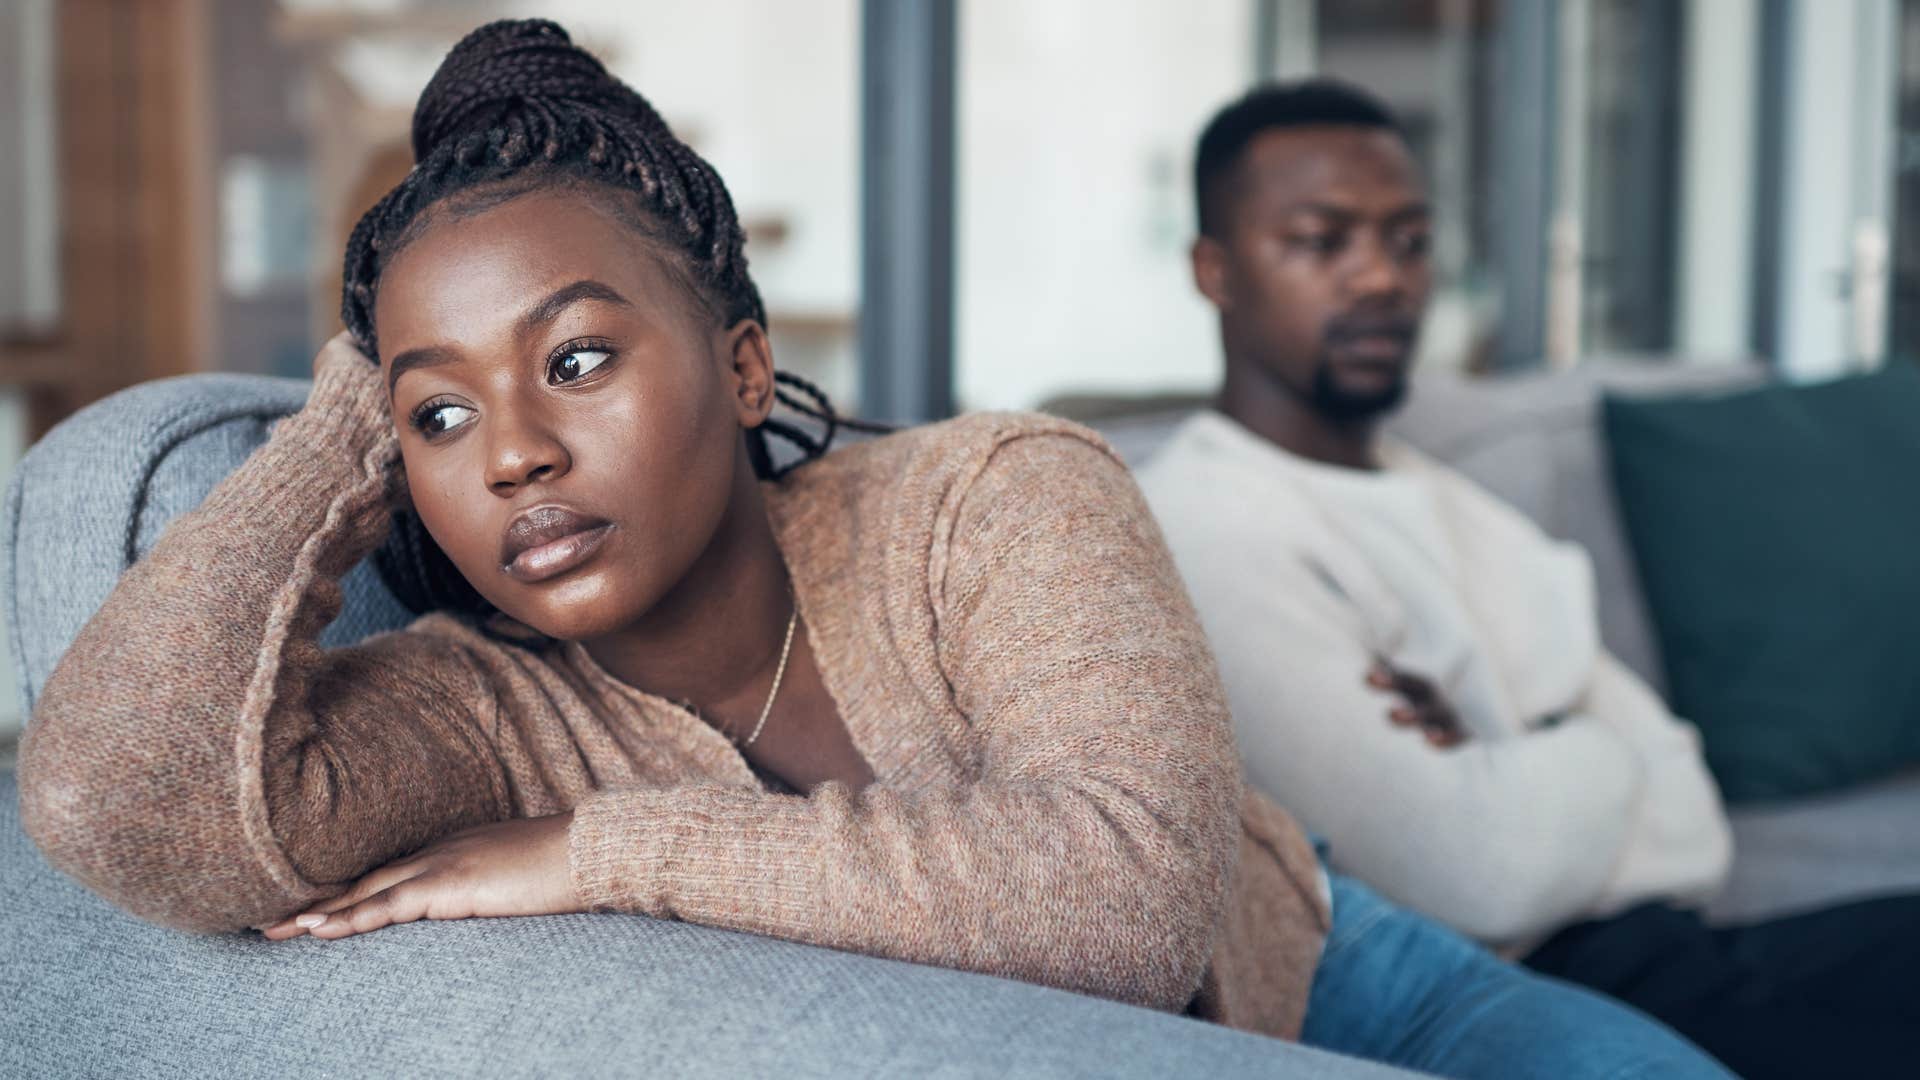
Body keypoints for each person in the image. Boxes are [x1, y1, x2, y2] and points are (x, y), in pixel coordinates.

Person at [19, 24, 1730, 1079]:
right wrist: (341, 427)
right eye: (446, 415)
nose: (519, 448)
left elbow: (1128, 902)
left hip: (1350, 967)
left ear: (745, 367)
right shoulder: (468, 712)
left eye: (582, 357)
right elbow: (112, 808)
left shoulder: (997, 495)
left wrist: (609, 851)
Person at [1139, 77, 1920, 1080]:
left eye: (1410, 240)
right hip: (1539, 996)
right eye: (1322, 242)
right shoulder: (1205, 525)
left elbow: (1698, 819)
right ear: (1216, 270)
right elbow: (1473, 873)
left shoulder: (1455, 498)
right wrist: (1602, 739)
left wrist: (1513, 751)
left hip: (1684, 950)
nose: (1382, 278)